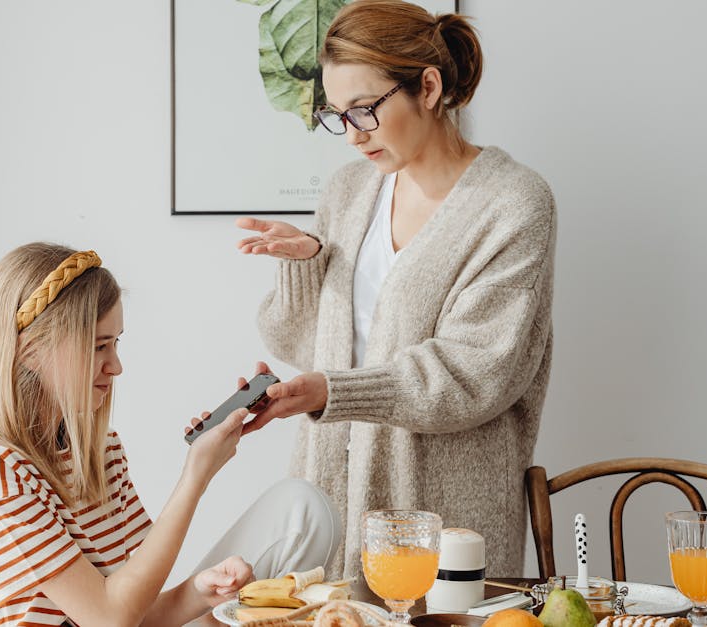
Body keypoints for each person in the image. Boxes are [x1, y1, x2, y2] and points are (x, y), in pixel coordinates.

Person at [235, 0, 556, 580]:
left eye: (364, 110)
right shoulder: (348, 192)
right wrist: (307, 265)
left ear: (427, 87)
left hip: (444, 517)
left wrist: (330, 394)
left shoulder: (513, 204)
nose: (352, 136)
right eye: (338, 116)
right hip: (329, 499)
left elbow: (475, 374)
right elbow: (301, 347)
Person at [0, 243, 339, 627]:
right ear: (29, 350)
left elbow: (134, 611)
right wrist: (195, 476)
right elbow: (111, 619)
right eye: (98, 346)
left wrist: (199, 593)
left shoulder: (99, 449)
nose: (116, 366)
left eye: (116, 343)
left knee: (302, 509)